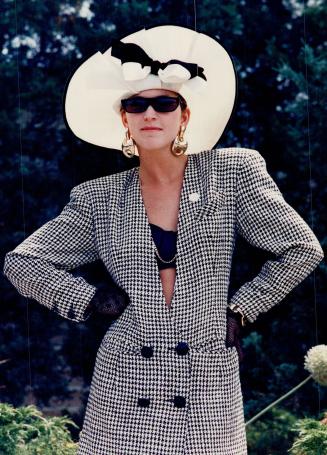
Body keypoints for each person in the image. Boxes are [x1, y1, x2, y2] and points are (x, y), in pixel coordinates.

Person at [3, 25, 324, 455]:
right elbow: (23, 263)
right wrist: (92, 300)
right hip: (123, 387)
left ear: (184, 114)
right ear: (124, 118)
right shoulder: (97, 197)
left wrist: (242, 310)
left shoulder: (231, 172)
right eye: (136, 104)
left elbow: (301, 248)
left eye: (164, 102)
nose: (149, 114)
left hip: (206, 383)